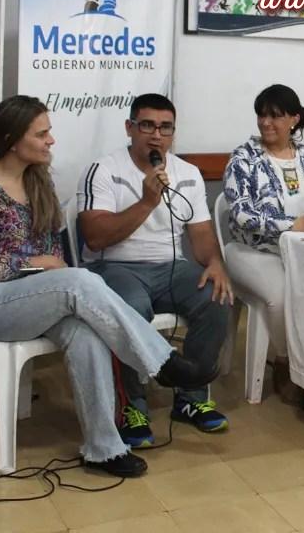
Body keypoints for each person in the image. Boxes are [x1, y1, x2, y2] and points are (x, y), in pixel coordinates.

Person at [0, 96, 214, 477]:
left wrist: (46, 267)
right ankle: (160, 361)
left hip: (28, 298)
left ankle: (104, 449)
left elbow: (54, 253)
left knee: (84, 331)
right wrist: (37, 264)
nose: (51, 140)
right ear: (11, 140)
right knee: (77, 280)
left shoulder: (38, 181)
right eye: (41, 133)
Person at [78, 93, 233, 448]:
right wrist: (147, 202)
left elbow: (201, 236)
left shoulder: (187, 173)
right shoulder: (104, 170)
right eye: (147, 125)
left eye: (165, 128)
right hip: (114, 266)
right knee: (130, 308)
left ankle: (191, 398)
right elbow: (96, 237)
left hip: (171, 267)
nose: (156, 135)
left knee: (217, 297)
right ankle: (132, 407)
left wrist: (214, 264)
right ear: (129, 128)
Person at [222, 84, 304, 403]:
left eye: (275, 116)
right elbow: (241, 215)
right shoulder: (243, 158)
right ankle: (284, 361)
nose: (266, 122)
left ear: (294, 119)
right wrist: (293, 225)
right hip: (252, 250)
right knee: (280, 295)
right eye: (261, 115)